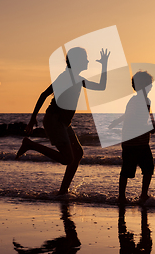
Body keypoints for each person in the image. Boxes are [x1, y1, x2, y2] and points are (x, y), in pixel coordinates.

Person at [16, 47, 109, 196]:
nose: (87, 61)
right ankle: (30, 144)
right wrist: (33, 118)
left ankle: (63, 191)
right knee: (67, 159)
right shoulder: (65, 77)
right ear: (77, 61)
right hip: (54, 120)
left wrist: (104, 65)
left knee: (77, 153)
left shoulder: (78, 78)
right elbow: (43, 95)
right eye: (85, 59)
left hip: (64, 123)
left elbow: (101, 87)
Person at [109, 71, 155, 205]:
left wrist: (152, 125)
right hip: (131, 141)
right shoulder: (135, 101)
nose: (151, 87)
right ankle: (121, 197)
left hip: (142, 141)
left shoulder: (146, 100)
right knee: (127, 170)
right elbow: (129, 117)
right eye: (149, 85)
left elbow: (148, 115)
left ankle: (143, 195)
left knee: (148, 168)